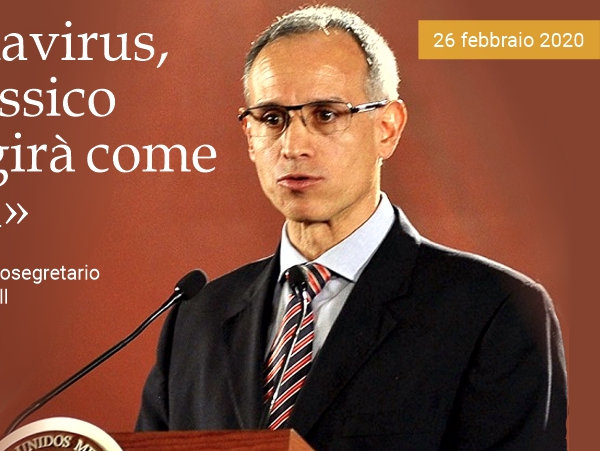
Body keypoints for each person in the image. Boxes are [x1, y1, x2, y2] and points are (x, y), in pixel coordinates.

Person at [136, 6, 567, 450]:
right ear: (250, 136)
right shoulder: (197, 318)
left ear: (387, 128)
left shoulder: (497, 310)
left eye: (325, 114)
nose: (293, 146)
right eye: (272, 118)